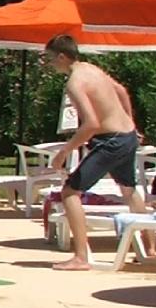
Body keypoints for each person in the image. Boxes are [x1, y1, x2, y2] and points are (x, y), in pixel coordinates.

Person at [43, 34, 143, 270]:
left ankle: (81, 257)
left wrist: (64, 152)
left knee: (70, 192)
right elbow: (121, 90)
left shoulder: (74, 83)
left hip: (111, 141)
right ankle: (148, 248)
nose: (50, 63)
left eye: (50, 58)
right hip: (127, 135)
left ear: (62, 57)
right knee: (129, 190)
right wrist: (131, 121)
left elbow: (91, 124)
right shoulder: (92, 69)